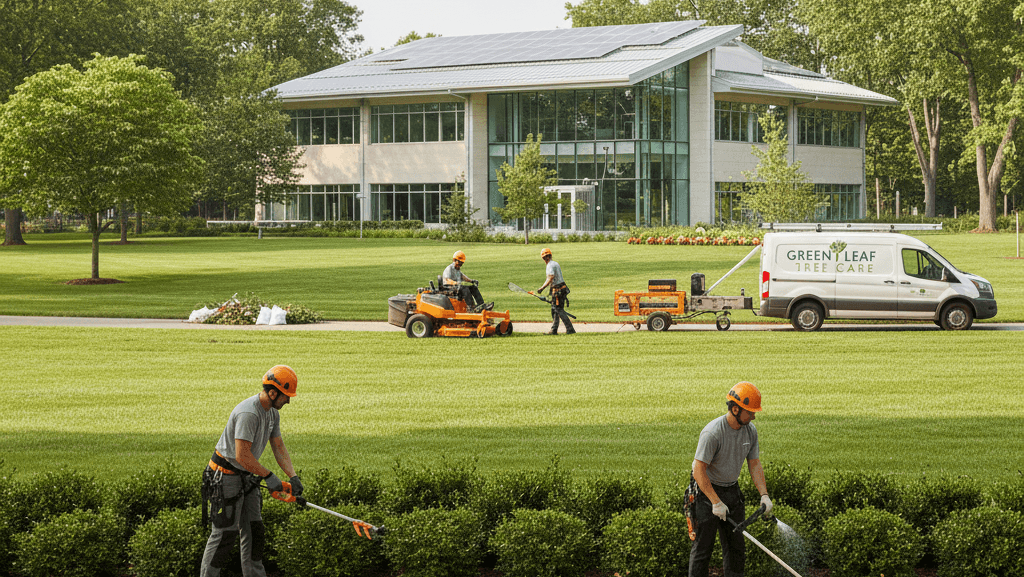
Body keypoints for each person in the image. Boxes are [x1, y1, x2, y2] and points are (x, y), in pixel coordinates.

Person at [200, 365, 304, 577]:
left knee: (255, 532)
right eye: (286, 396)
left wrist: (292, 476)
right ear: (273, 392)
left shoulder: (272, 413)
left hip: (246, 476)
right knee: (224, 537)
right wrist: (268, 475)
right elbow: (242, 455)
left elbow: (278, 445)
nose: (289, 401)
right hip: (225, 476)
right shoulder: (249, 413)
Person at [689, 381, 773, 577]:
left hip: (732, 492)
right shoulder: (713, 433)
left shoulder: (750, 431)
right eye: (750, 412)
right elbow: (698, 470)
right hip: (705, 492)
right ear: (735, 409)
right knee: (703, 550)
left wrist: (764, 495)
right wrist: (715, 502)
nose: (753, 416)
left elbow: (754, 464)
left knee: (736, 549)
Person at [535, 247, 575, 335]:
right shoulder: (555, 263)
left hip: (558, 290)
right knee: (555, 310)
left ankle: (570, 329)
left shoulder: (550, 265)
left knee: (559, 309)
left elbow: (551, 277)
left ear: (545, 258)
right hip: (561, 289)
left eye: (544, 258)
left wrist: (542, 288)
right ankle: (554, 330)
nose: (544, 259)